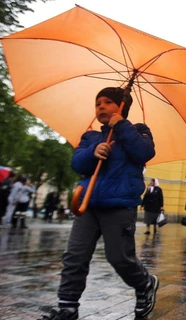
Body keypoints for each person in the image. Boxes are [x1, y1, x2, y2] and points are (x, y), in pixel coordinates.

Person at [37, 87, 159, 320]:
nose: (100, 107)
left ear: (121, 107)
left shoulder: (138, 131)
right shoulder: (91, 136)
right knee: (75, 256)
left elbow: (143, 153)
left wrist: (121, 126)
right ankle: (67, 307)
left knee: (119, 257)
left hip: (120, 205)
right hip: (88, 205)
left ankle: (145, 283)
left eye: (107, 102)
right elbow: (77, 164)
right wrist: (94, 151)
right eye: (97, 103)